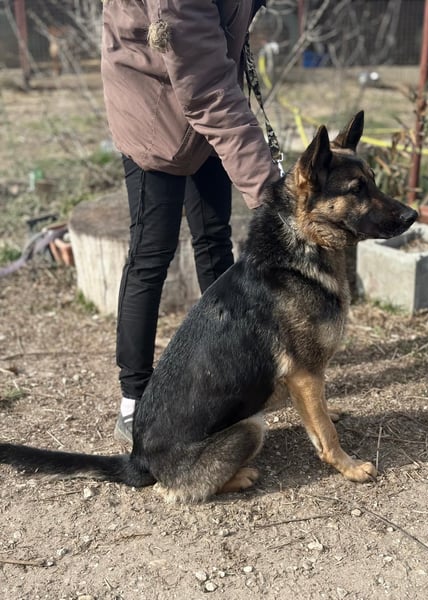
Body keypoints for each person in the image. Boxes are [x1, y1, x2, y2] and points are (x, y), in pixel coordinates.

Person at [101, 0, 281, 443]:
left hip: (207, 107)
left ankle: (232, 364)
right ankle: (135, 397)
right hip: (152, 109)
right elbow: (205, 87)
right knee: (151, 254)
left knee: (215, 239)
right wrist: (273, 196)